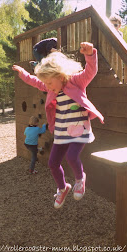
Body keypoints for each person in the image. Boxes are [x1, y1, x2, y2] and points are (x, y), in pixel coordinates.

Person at [12, 42, 104, 209]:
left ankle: (79, 178)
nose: (46, 87)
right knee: (52, 163)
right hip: (62, 132)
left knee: (71, 157)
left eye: (49, 83)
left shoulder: (76, 82)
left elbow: (91, 71)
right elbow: (36, 82)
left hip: (78, 130)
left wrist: (90, 55)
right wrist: (24, 74)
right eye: (46, 84)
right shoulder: (52, 88)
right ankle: (62, 188)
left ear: (60, 76)